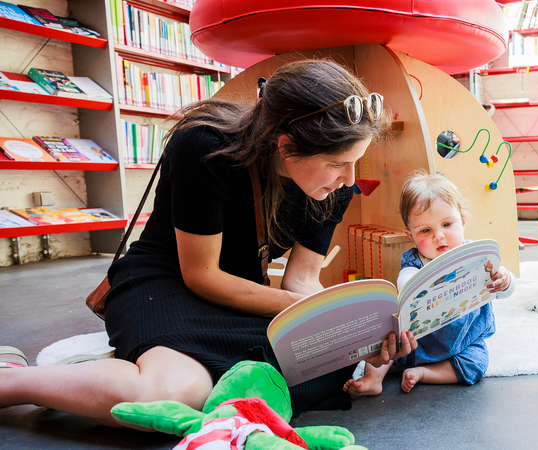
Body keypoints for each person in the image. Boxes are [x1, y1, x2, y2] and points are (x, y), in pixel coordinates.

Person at [0, 60, 417, 427]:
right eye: (337, 163)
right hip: (167, 282)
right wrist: (321, 314)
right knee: (169, 395)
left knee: (318, 369)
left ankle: (124, 370)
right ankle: (12, 380)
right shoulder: (205, 145)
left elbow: (302, 282)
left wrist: (359, 334)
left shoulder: (334, 189)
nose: (348, 179)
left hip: (241, 296)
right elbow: (201, 276)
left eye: (354, 162)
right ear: (286, 146)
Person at [343, 171, 515, 395]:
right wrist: (411, 285)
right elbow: (406, 282)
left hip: (463, 342)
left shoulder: (477, 257)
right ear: (411, 235)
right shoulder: (414, 260)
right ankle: (373, 379)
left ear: (462, 221)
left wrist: (504, 280)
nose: (439, 236)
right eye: (425, 230)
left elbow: (505, 292)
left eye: (447, 224)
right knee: (386, 344)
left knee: (477, 363)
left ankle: (425, 373)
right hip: (417, 343)